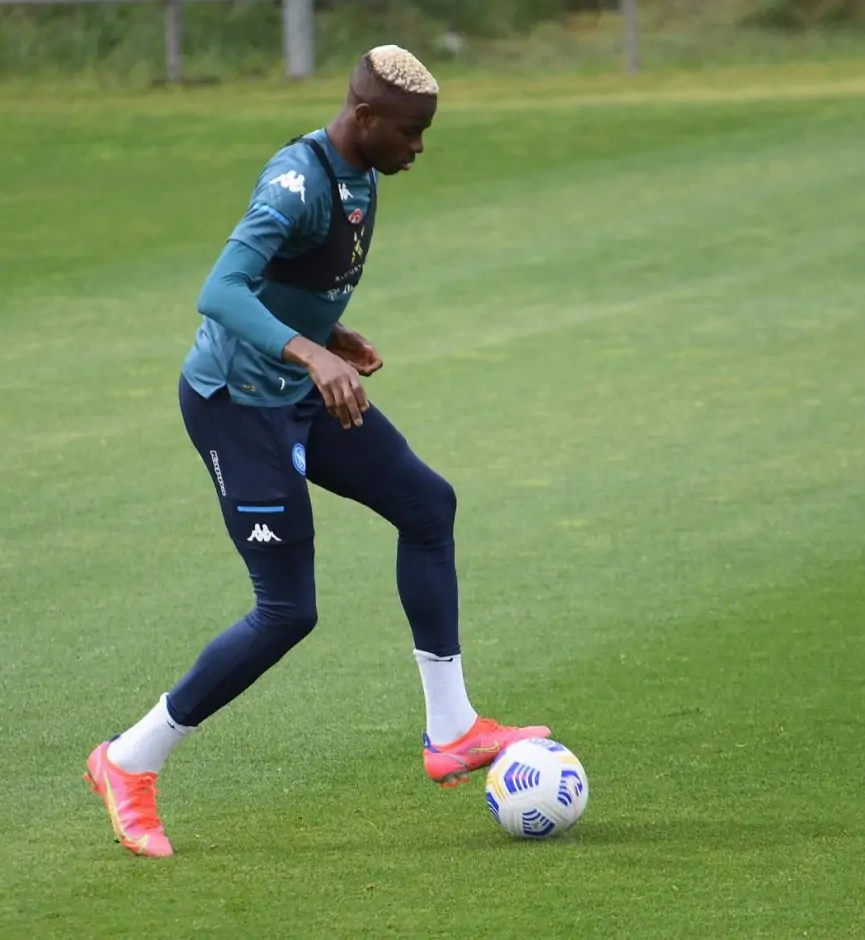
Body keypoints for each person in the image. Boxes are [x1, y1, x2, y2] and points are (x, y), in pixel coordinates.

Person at [83, 44, 549, 859]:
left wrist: (330, 334)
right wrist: (311, 352)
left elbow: (288, 280)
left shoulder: (363, 171)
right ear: (365, 117)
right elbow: (221, 290)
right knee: (287, 612)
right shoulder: (295, 183)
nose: (419, 147)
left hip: (298, 390)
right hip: (237, 408)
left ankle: (452, 730)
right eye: (409, 131)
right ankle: (128, 761)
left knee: (426, 505)